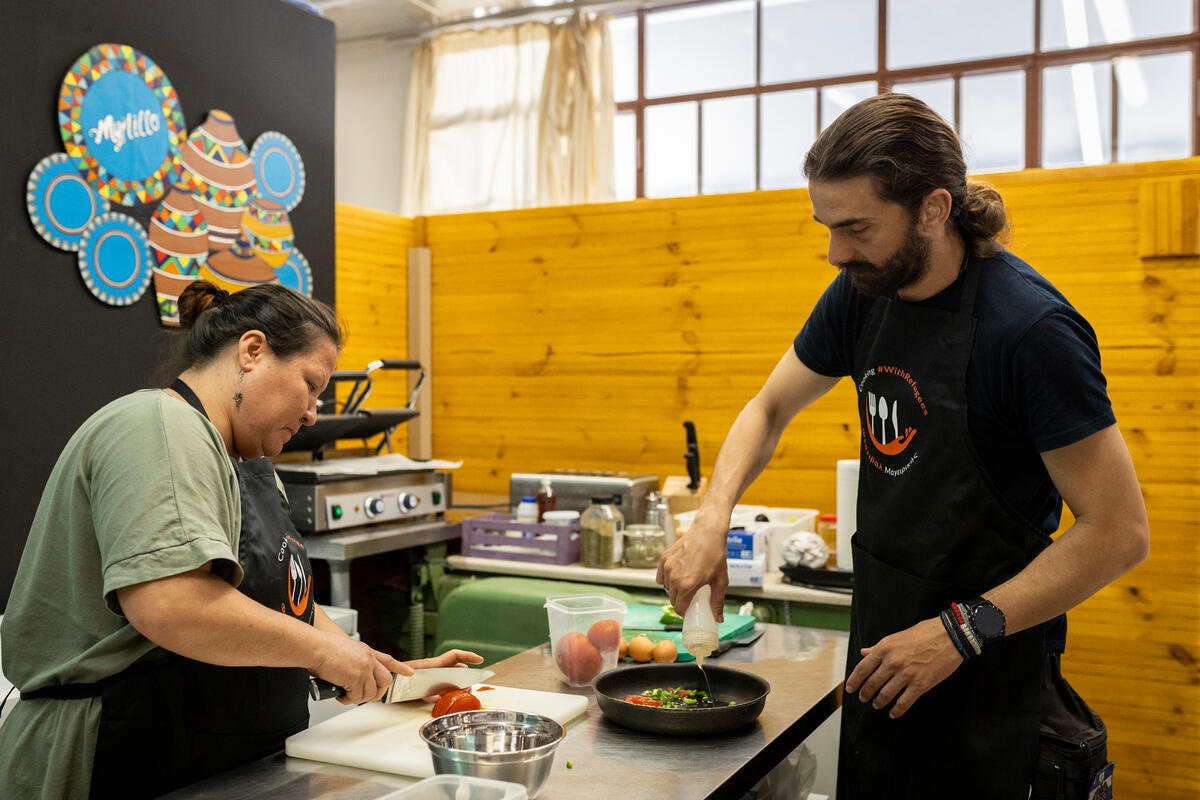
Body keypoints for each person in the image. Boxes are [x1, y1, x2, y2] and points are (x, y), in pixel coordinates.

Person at [656, 94, 1149, 798]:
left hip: (989, 682)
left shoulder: (1031, 331)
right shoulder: (862, 292)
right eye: (827, 227)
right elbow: (767, 407)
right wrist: (712, 518)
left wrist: (957, 632)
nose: (835, 253)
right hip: (882, 668)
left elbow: (1119, 533)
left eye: (855, 228)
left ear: (934, 209)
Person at [0, 281, 482, 798]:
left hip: (217, 754)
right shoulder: (157, 427)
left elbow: (285, 608)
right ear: (252, 351)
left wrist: (378, 668)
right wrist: (325, 655)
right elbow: (171, 604)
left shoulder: (249, 466)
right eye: (312, 385)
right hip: (119, 752)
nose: (313, 413)